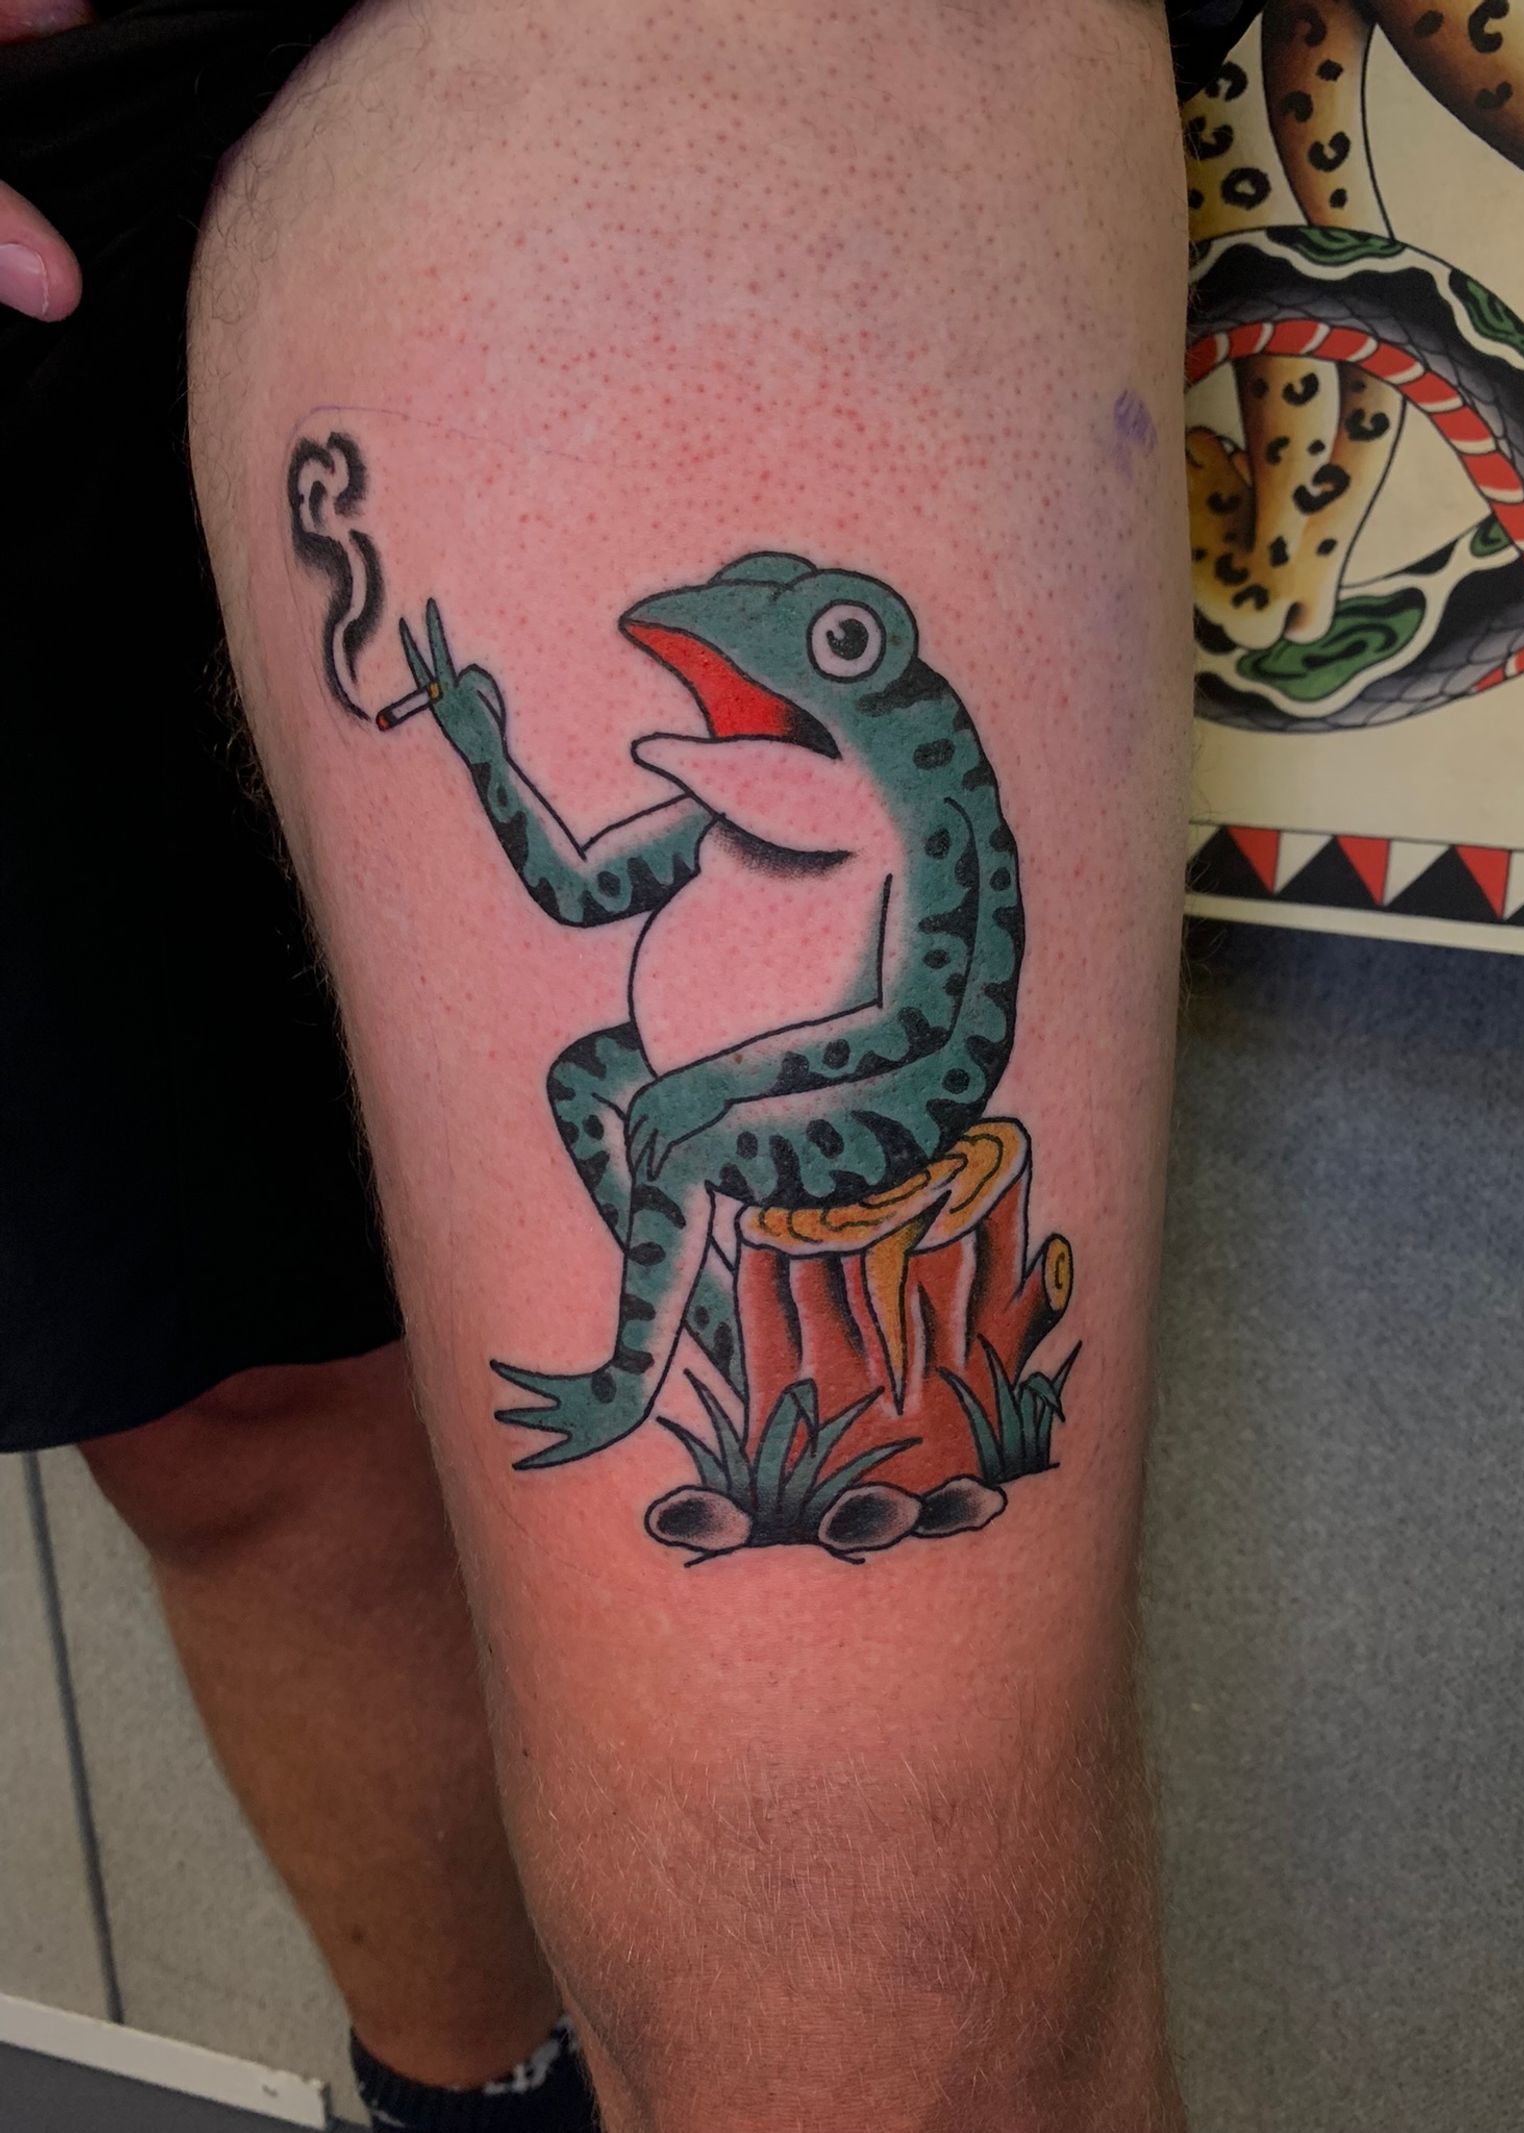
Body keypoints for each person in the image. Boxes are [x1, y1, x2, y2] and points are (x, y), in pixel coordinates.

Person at [1, 2, 1258, 2126]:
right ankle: (479, 2099)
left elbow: (924, 1018)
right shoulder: (739, 796)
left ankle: (632, 1379)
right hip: (56, 138)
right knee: (227, 1397)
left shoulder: (902, 813)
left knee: (866, 1957)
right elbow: (579, 888)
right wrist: (483, 735)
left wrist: (712, 1106)